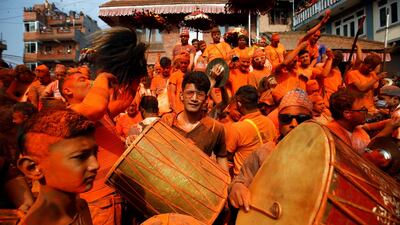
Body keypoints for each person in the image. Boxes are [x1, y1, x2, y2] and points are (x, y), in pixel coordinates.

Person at [228, 89, 313, 212]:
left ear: (311, 120)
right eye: (286, 118)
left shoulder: (324, 154)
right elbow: (241, 179)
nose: (294, 124)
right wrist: (237, 188)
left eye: (301, 118)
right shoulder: (264, 152)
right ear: (279, 120)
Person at [17, 109, 99, 225]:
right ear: (33, 168)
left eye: (95, 153)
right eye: (80, 157)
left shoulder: (80, 207)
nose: (96, 165)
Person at [162, 71, 228, 171]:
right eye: (189, 93)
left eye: (200, 95)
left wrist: (226, 183)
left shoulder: (215, 128)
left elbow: (222, 158)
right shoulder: (167, 121)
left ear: (206, 99)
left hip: (197, 183)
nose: (194, 99)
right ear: (181, 96)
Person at [224, 85, 277, 175]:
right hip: (265, 177)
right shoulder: (269, 123)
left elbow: (226, 157)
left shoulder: (236, 128)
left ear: (239, 104)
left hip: (244, 182)